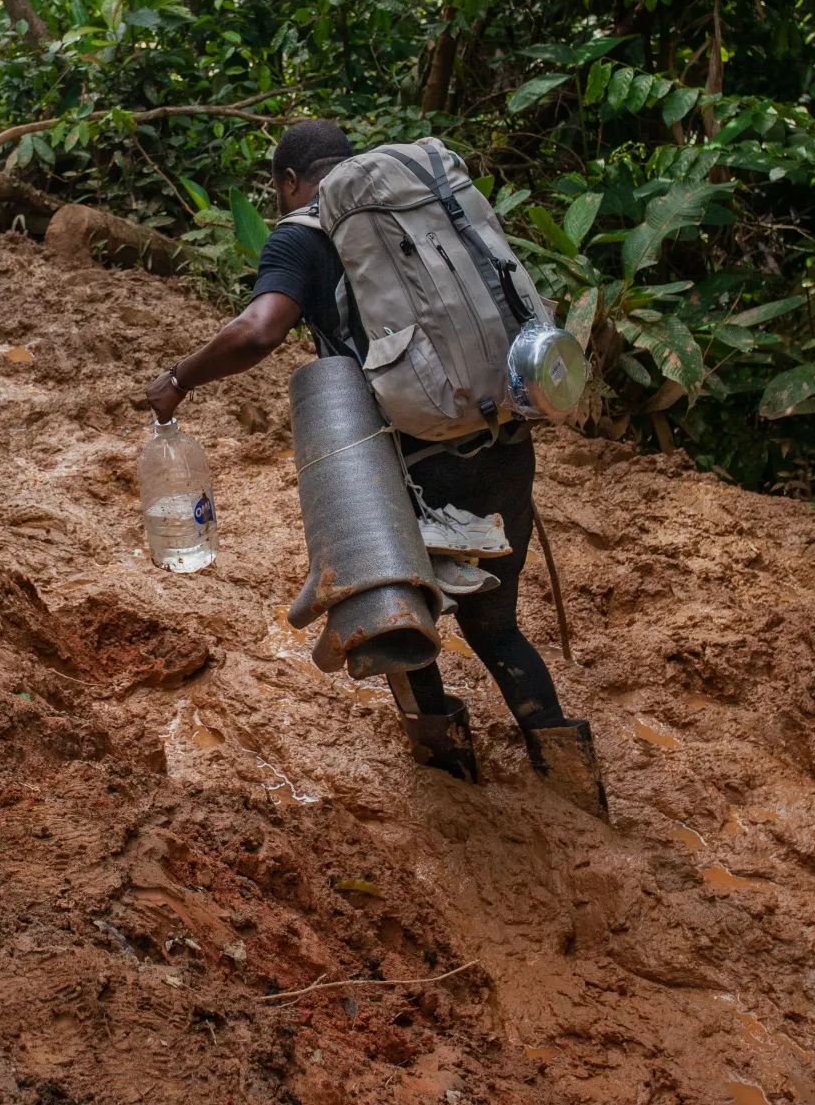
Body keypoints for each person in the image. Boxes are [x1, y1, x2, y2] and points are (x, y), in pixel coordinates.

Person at [143, 119, 588, 788]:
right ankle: (572, 780)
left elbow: (258, 330)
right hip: (504, 441)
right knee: (496, 628)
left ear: (289, 182)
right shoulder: (417, 209)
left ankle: (449, 769)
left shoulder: (301, 233)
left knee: (393, 619)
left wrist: (178, 379)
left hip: (416, 465)